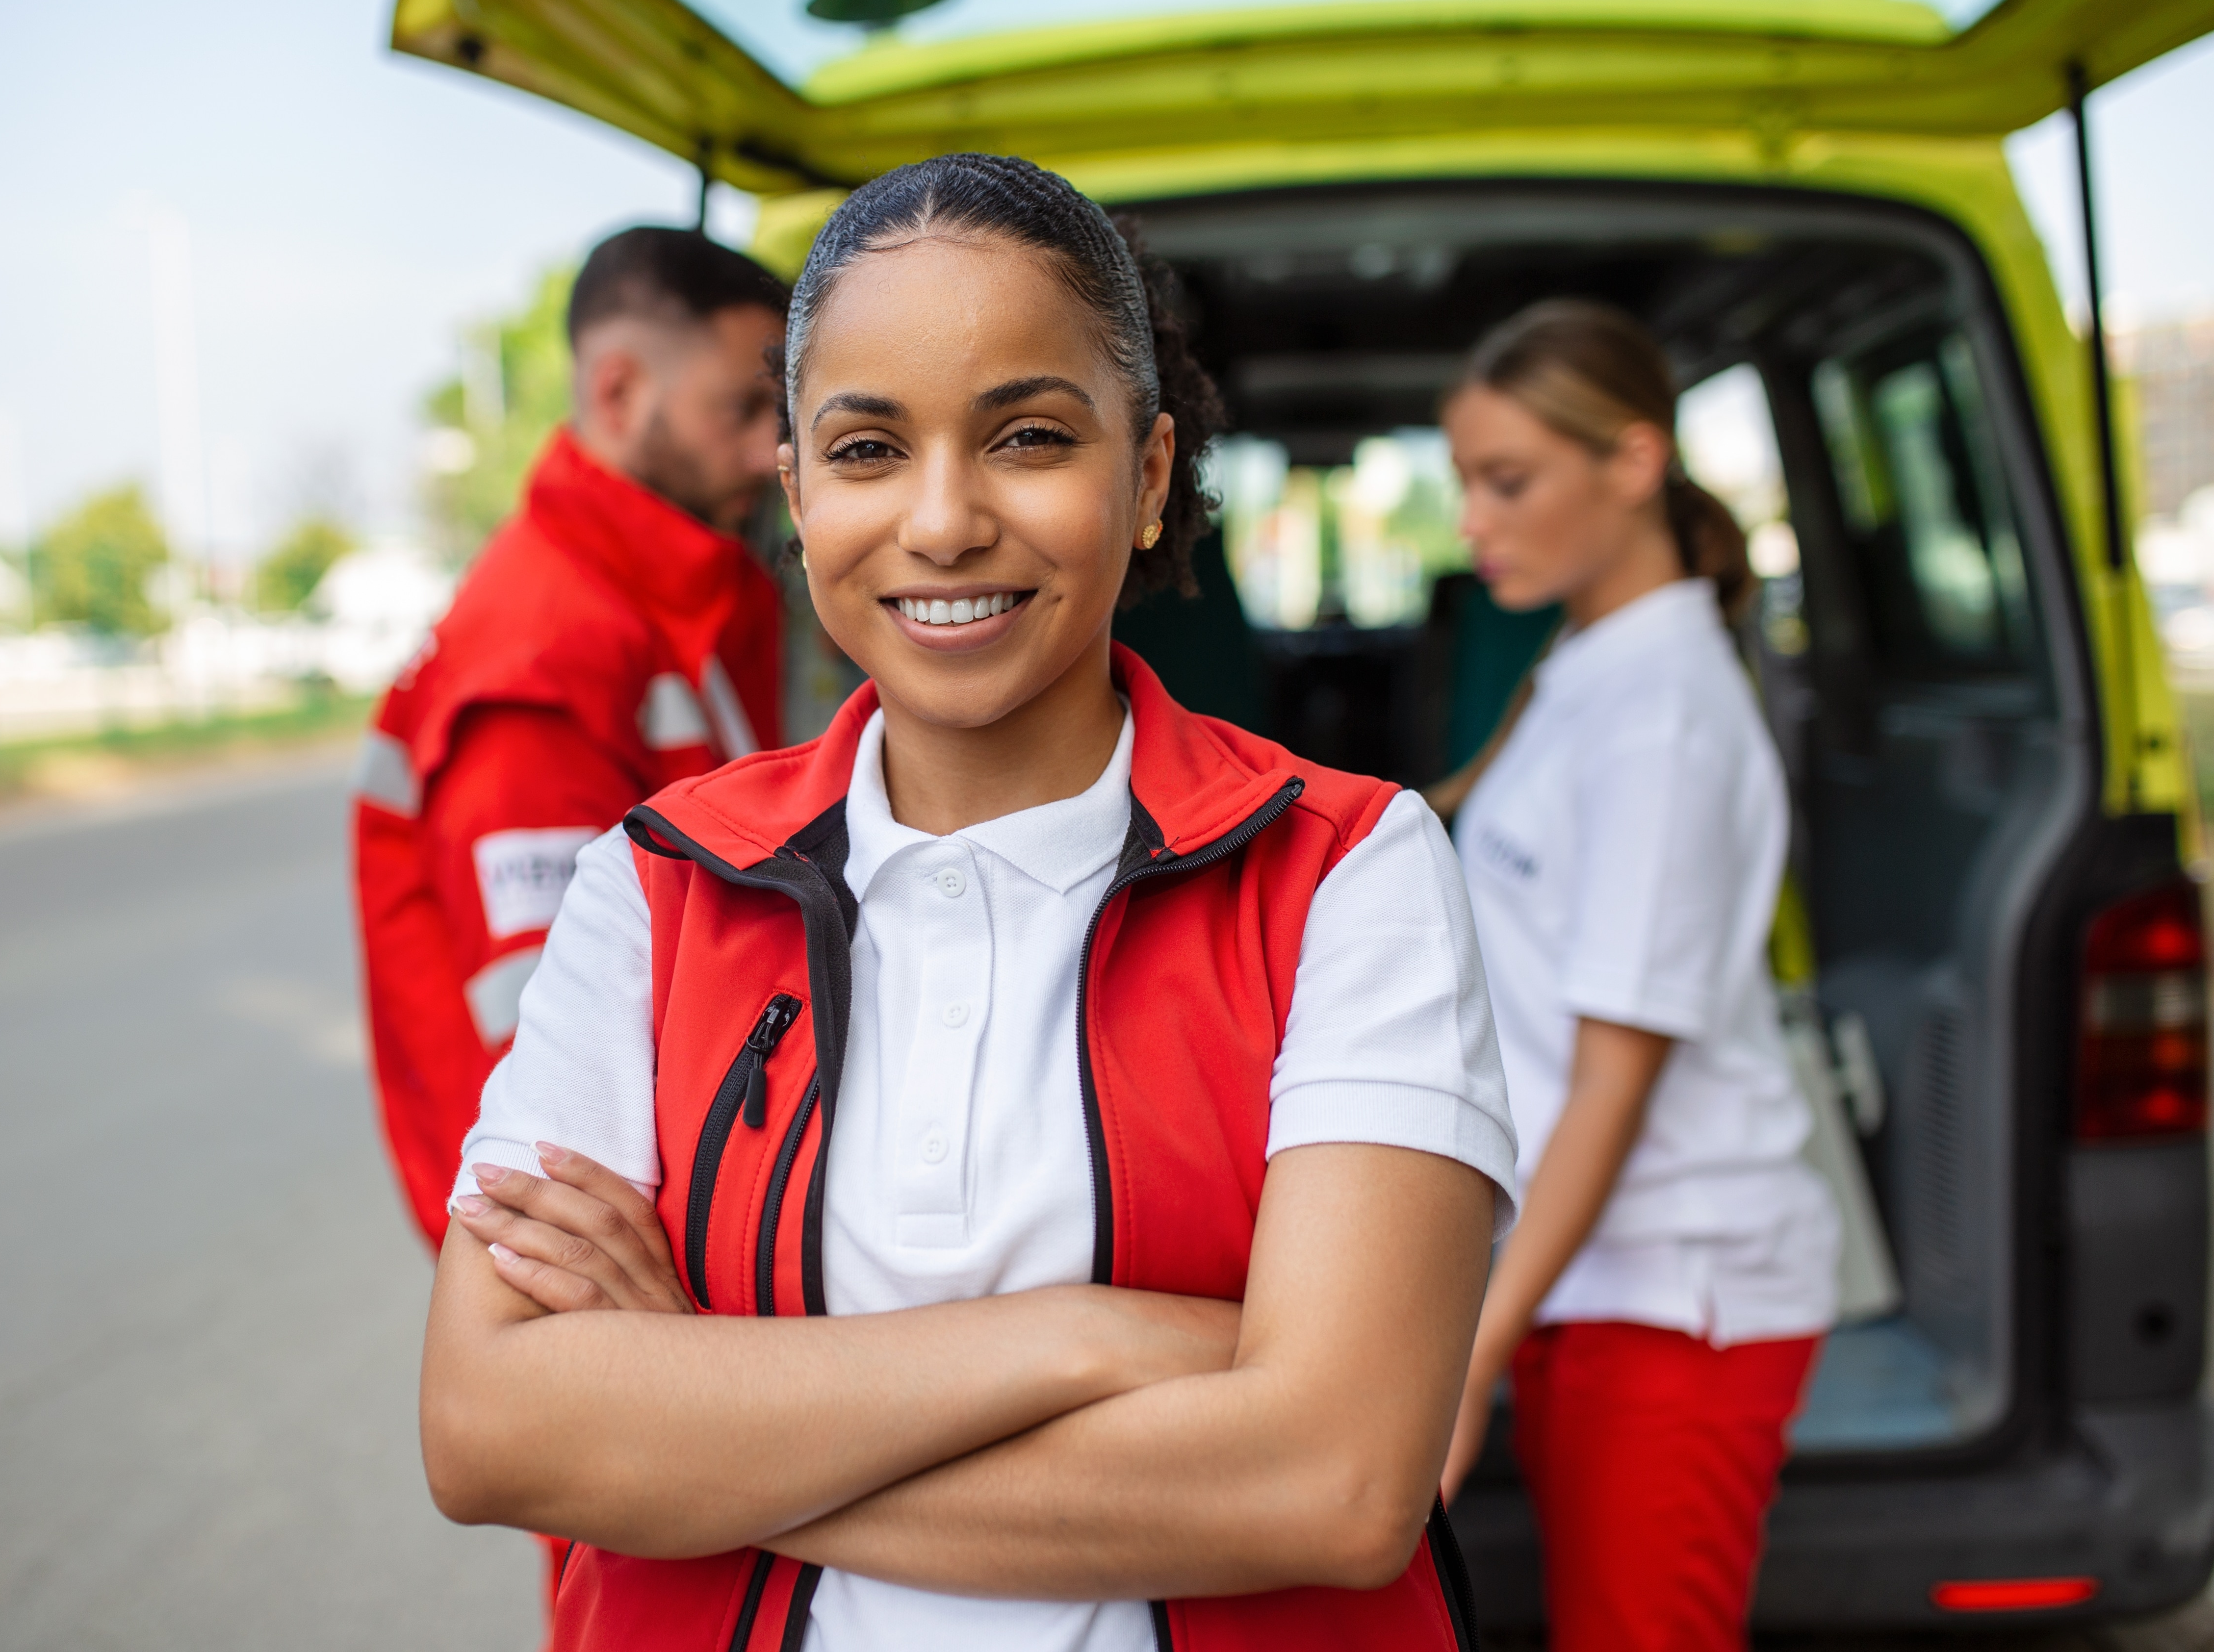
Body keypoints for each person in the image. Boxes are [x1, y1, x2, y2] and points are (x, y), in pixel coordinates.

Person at [419, 152, 1519, 1652]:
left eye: (1028, 437)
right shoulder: (656, 883)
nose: (941, 522)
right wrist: (1085, 1340)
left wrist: (696, 1423)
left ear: (1147, 477)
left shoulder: (1347, 869)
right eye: (868, 449)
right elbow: (486, 1427)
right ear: (798, 493)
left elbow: (1332, 1484)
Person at [1432, 301, 1840, 1651]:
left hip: (1676, 1286)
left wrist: (1471, 1354)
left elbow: (1616, 1078)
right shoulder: (1593, 657)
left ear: (1634, 459)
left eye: (1509, 481)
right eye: (1464, 482)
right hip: (1589, 1270)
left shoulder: (1663, 715)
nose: (1473, 523)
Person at [354, 227, 791, 1251]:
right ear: (618, 390)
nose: (766, 454)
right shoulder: (541, 656)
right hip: (584, 1258)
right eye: (740, 410)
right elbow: (556, 1085)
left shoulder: (671, 598)